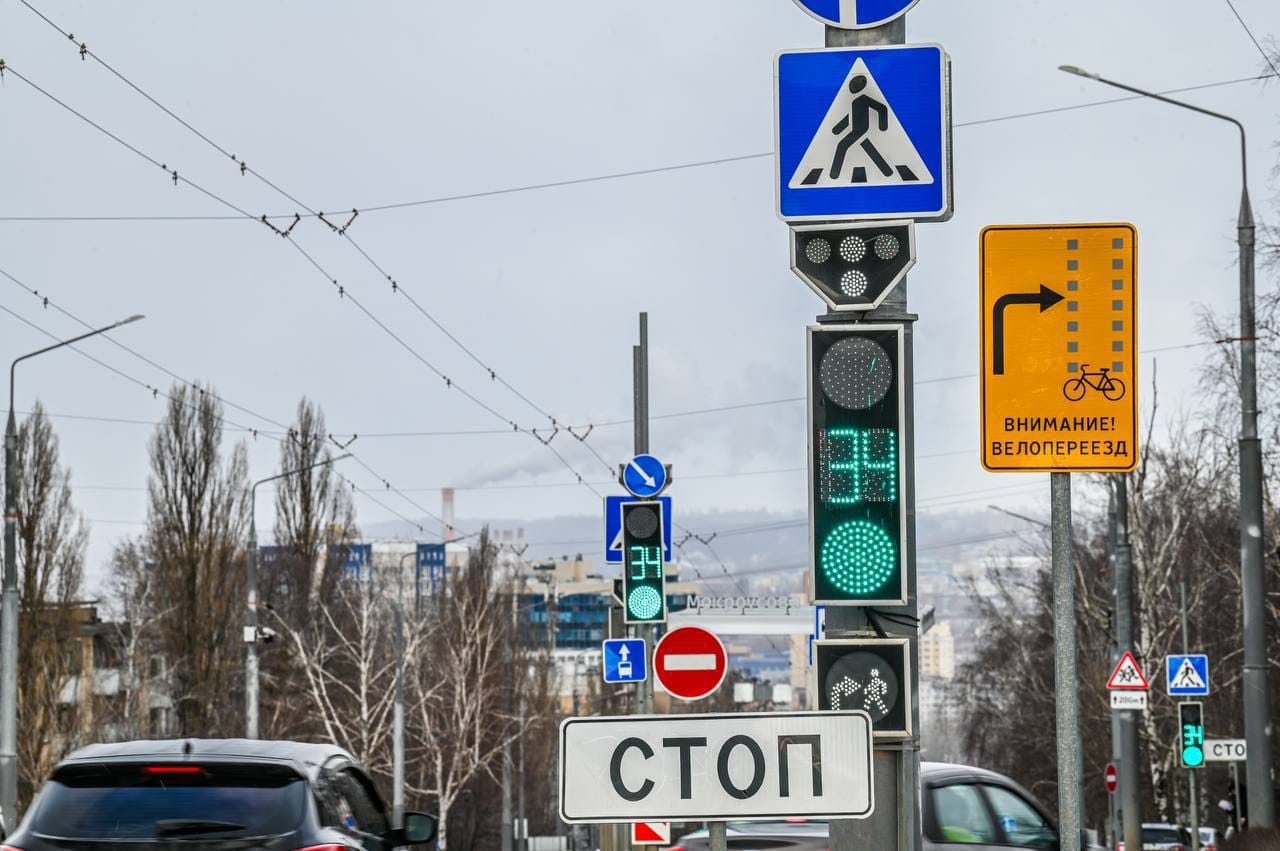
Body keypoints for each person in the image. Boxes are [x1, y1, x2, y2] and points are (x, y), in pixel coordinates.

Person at [829, 74, 892, 181]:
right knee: (868, 148)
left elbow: (881, 108)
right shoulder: (855, 101)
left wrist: (883, 126)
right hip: (857, 130)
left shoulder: (864, 99)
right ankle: (887, 172)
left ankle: (834, 175)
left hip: (861, 130)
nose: (851, 88)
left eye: (853, 86)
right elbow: (851, 117)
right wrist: (837, 129)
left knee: (842, 145)